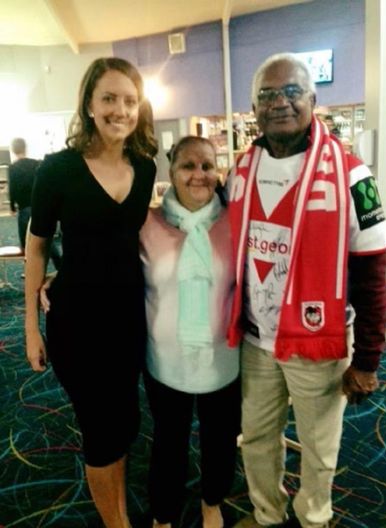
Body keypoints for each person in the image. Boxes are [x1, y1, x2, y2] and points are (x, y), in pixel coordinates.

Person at [227, 53, 386, 528]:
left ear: (314, 100)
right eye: (267, 94)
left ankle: (315, 518)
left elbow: (373, 273)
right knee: (256, 438)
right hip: (256, 341)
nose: (280, 102)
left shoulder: (352, 175)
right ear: (253, 108)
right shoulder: (240, 171)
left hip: (318, 342)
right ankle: (267, 515)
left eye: (292, 92)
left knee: (320, 446)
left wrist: (368, 361)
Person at [25, 57, 157, 528]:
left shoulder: (145, 167)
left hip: (128, 320)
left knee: (123, 425)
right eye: (109, 98)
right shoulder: (58, 169)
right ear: (89, 104)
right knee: (101, 431)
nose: (120, 109)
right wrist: (30, 328)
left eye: (129, 100)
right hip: (77, 324)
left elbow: (136, 240)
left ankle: (117, 508)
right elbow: (37, 247)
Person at [140, 136, 240, 528]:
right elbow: (105, 268)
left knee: (220, 440)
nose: (199, 175)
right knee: (169, 444)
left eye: (207, 166)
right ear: (171, 171)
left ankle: (211, 502)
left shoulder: (237, 222)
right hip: (166, 361)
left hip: (224, 357)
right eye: (188, 166)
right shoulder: (146, 224)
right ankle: (164, 513)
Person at [8, 138, 62, 270]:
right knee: (46, 239)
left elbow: (12, 188)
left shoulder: (13, 167)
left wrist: (12, 207)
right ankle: (60, 266)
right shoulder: (36, 163)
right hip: (40, 207)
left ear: (14, 150)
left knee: (26, 244)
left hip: (24, 208)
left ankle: (31, 273)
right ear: (25, 148)